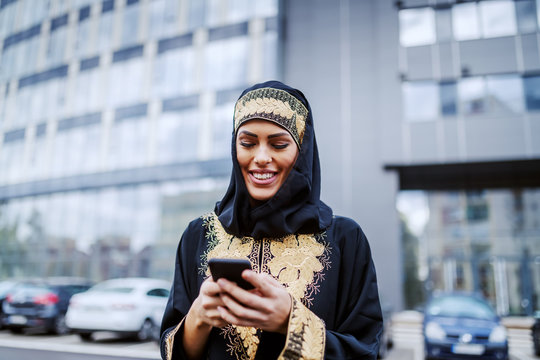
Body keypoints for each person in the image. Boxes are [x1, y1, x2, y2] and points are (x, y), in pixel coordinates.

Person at [160, 81, 383, 360]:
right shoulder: (200, 234)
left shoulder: (345, 239)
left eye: (278, 144)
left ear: (302, 151)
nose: (262, 158)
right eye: (247, 143)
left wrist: (290, 321)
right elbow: (172, 350)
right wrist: (198, 318)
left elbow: (365, 351)